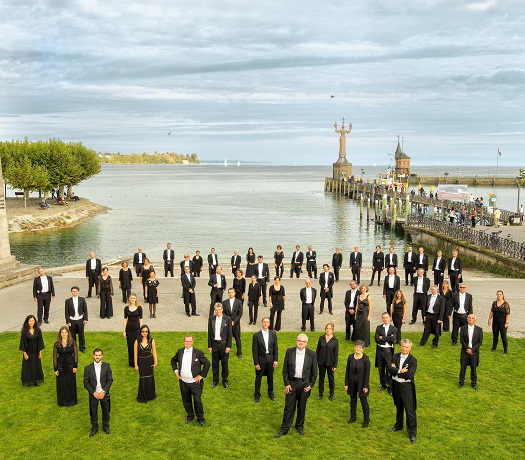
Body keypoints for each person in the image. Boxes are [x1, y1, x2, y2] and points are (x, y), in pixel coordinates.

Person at [274, 334, 317, 438]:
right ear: (296, 341)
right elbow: (285, 370)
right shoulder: (290, 351)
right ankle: (284, 429)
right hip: (292, 383)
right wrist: (287, 384)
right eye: (299, 340)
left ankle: (299, 426)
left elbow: (314, 372)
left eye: (303, 341)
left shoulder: (312, 354)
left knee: (302, 407)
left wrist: (310, 385)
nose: (300, 342)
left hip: (304, 384)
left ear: (306, 343)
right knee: (288, 407)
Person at [171, 335, 211, 426]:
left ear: (192, 342)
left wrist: (201, 375)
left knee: (197, 401)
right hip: (183, 382)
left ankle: (200, 418)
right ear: (184, 342)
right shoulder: (180, 352)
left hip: (195, 383)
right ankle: (190, 415)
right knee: (186, 400)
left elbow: (207, 364)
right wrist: (176, 371)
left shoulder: (198, 353)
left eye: (189, 341)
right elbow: (173, 361)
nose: (187, 343)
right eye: (186, 341)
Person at [388, 339, 417, 443]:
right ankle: (398, 425)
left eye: (406, 347)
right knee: (398, 406)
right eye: (403, 346)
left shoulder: (413, 360)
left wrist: (395, 371)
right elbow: (389, 369)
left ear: (410, 348)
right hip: (396, 385)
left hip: (406, 387)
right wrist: (400, 370)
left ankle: (412, 433)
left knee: (409, 410)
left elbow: (409, 375)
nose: (404, 349)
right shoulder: (395, 356)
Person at [83, 348, 113, 436]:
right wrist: (94, 393)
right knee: (93, 412)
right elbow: (85, 383)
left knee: (106, 411)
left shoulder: (107, 366)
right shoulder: (88, 368)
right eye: (96, 355)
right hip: (93, 394)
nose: (97, 357)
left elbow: (110, 380)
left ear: (102, 356)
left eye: (99, 355)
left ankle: (106, 427)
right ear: (93, 355)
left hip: (104, 393)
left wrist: (103, 392)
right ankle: (94, 428)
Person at [344, 340, 370, 427]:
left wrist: (365, 386)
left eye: (360, 347)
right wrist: (346, 383)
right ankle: (353, 417)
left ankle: (366, 420)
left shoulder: (366, 359)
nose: (358, 349)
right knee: (353, 400)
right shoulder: (350, 357)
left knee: (364, 402)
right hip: (352, 383)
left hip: (362, 384)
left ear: (363, 349)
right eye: (356, 347)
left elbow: (367, 374)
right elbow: (347, 371)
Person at [252, 317, 278, 402]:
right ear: (262, 323)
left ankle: (271, 394)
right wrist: (256, 363)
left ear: (269, 324)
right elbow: (254, 351)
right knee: (258, 378)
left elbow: (275, 348)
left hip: (270, 358)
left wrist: (275, 360)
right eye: (264, 322)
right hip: (261, 359)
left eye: (267, 322)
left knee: (270, 378)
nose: (265, 324)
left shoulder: (273, 334)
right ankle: (257, 395)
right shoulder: (256, 335)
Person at [207, 303, 232, 388]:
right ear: (214, 310)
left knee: (225, 363)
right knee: (215, 364)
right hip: (214, 344)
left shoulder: (227, 319)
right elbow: (209, 333)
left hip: (224, 344)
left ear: (222, 309)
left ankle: (225, 380)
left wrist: (228, 346)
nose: (218, 311)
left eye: (219, 309)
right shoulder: (211, 319)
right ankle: (215, 380)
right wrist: (209, 346)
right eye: (216, 310)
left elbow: (229, 333)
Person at [53, 326, 78, 406]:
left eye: (65, 332)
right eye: (62, 332)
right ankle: (62, 401)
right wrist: (55, 369)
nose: (64, 334)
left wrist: (75, 366)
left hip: (70, 364)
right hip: (60, 365)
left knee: (70, 382)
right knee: (62, 383)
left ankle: (71, 400)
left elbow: (76, 355)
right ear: (60, 333)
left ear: (68, 333)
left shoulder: (72, 342)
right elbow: (54, 357)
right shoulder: (57, 344)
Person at [458, 314, 483, 390]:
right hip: (465, 351)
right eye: (469, 318)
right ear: (467, 319)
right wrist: (467, 349)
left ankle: (474, 383)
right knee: (463, 368)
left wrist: (472, 350)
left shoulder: (479, 329)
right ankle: (461, 382)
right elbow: (462, 340)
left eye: (472, 318)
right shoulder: (463, 328)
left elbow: (479, 342)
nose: (470, 319)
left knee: (473, 368)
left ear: (475, 320)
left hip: (474, 352)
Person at [134, 324, 158, 402]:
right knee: (143, 378)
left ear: (148, 332)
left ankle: (151, 395)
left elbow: (154, 352)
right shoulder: (137, 341)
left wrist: (156, 362)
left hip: (149, 361)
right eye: (143, 331)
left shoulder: (152, 340)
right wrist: (136, 365)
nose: (144, 333)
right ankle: (143, 396)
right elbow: (135, 354)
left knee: (150, 378)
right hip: (141, 362)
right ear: (140, 332)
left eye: (146, 331)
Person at [375, 312, 397, 395]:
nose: (385, 319)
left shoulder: (394, 329)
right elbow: (376, 339)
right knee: (381, 369)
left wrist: (382, 338)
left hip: (388, 351)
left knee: (389, 369)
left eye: (387, 317)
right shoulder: (379, 327)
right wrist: (388, 338)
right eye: (384, 318)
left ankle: (390, 387)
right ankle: (383, 384)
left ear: (390, 318)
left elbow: (393, 339)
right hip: (380, 351)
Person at [19, 315, 45, 386]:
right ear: (27, 322)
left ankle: (35, 381)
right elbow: (22, 342)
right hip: (28, 352)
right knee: (28, 367)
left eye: (33, 321)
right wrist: (24, 353)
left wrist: (40, 351)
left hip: (36, 351)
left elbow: (40, 341)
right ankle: (28, 381)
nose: (31, 322)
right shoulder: (25, 332)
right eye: (30, 321)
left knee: (36, 366)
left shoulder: (38, 330)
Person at [316, 323, 339, 400]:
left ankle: (331, 394)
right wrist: (316, 361)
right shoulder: (321, 338)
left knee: (331, 378)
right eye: (327, 328)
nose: (328, 330)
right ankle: (320, 394)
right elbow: (318, 350)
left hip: (330, 362)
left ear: (332, 330)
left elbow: (336, 354)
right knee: (321, 378)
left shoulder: (335, 340)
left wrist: (335, 365)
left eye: (329, 328)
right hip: (321, 362)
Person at [65, 286, 88, 353]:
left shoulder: (82, 299)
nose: (74, 292)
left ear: (78, 292)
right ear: (71, 292)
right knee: (72, 335)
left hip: (80, 319)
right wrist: (68, 321)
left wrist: (85, 319)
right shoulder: (68, 301)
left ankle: (82, 348)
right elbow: (66, 312)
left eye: (76, 291)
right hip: (72, 320)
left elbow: (85, 310)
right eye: (73, 291)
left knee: (81, 334)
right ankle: (73, 348)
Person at [123, 293, 143, 367]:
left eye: (134, 298)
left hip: (137, 330)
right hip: (129, 330)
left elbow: (141, 320)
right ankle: (131, 363)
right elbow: (125, 320)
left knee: (137, 346)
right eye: (131, 298)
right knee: (130, 346)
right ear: (129, 299)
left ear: (136, 299)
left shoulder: (139, 308)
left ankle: (138, 362)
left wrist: (141, 330)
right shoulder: (126, 308)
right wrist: (124, 331)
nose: (132, 300)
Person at [222, 288, 243, 358]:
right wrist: (229, 321)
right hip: (227, 324)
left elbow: (240, 313)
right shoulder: (224, 302)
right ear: (228, 293)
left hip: (236, 324)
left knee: (237, 338)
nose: (231, 294)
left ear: (234, 293)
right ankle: (226, 350)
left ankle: (239, 352)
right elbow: (223, 313)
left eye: (232, 292)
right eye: (229, 292)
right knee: (227, 338)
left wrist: (234, 321)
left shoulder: (239, 302)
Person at [488, 290, 510, 355]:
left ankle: (505, 350)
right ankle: (494, 348)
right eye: (498, 294)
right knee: (495, 336)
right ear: (496, 295)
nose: (499, 295)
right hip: (495, 323)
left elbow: (508, 314)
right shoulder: (494, 303)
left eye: (500, 294)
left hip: (503, 324)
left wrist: (506, 323)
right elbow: (492, 311)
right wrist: (489, 319)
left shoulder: (506, 304)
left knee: (503, 337)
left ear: (502, 295)